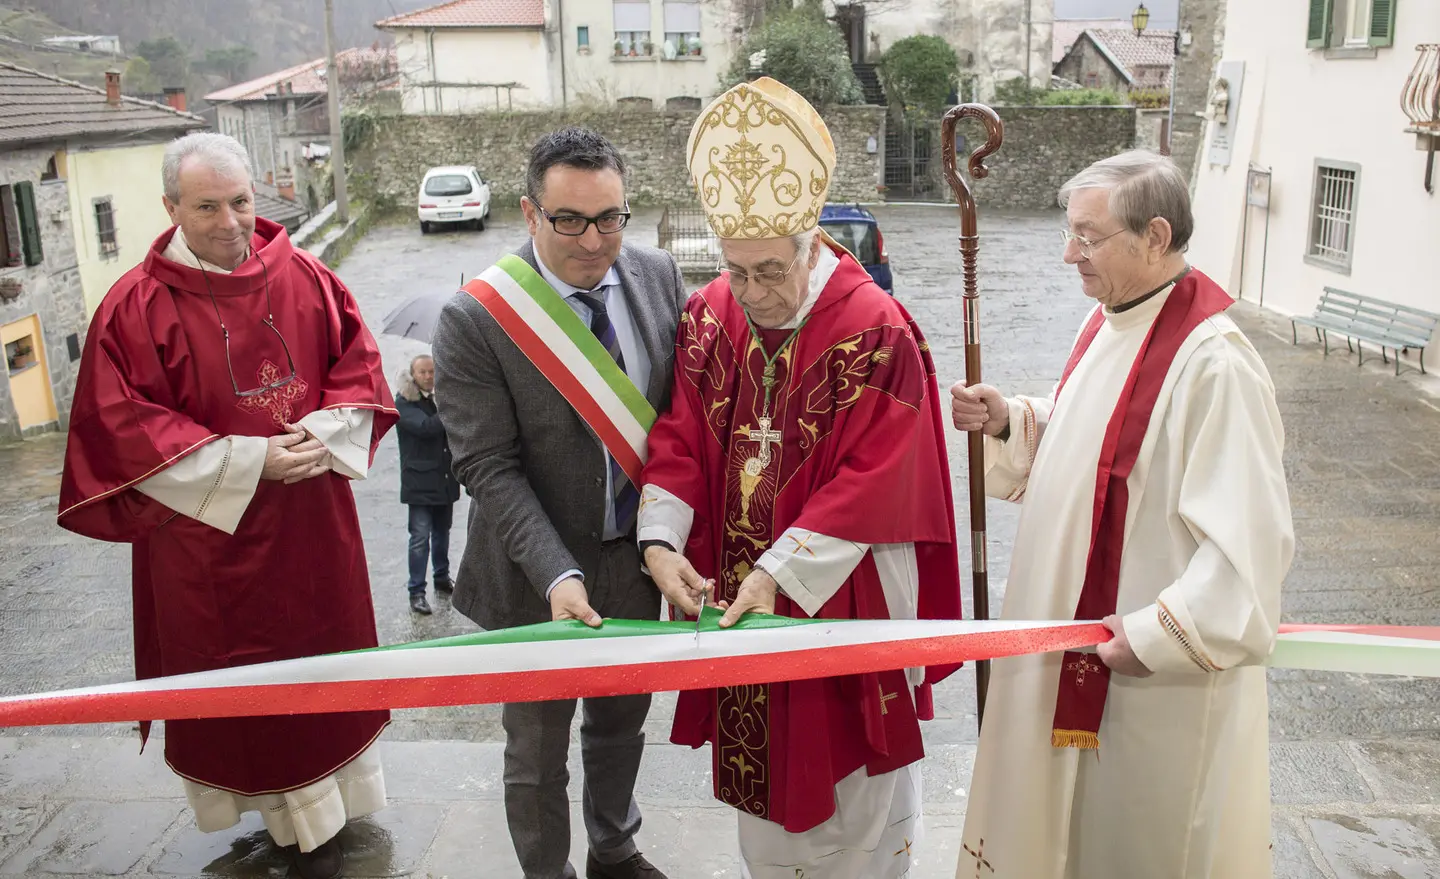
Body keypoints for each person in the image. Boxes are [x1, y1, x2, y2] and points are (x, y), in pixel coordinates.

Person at [637, 77, 963, 879]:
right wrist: (660, 539)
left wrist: (780, 573)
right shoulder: (712, 313)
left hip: (840, 595)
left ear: (813, 241)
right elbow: (681, 432)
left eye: (770, 271)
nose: (752, 293)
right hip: (745, 600)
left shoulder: (873, 328)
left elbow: (879, 475)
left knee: (856, 795)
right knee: (768, 805)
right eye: (737, 270)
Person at [56, 132, 395, 879]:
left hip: (311, 532)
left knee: (322, 675)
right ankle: (281, 826)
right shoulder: (133, 308)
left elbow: (359, 367)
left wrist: (320, 431)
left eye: (240, 201)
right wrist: (250, 460)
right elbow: (122, 424)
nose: (231, 221)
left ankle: (326, 822)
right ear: (171, 207)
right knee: (247, 698)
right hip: (210, 547)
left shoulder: (307, 276)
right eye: (207, 206)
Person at [949, 150, 1294, 878]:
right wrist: (1012, 419)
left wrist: (1156, 635)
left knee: (1131, 841)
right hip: (1069, 642)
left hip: (1145, 678)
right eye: (1070, 231)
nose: (1069, 252)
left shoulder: (1215, 366)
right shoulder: (1107, 321)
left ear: (1156, 236)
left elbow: (1249, 546)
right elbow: (1096, 445)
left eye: (1088, 235)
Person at [431, 127, 687, 879]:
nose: (593, 239)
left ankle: (614, 846)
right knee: (537, 755)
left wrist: (666, 537)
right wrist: (555, 572)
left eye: (610, 217)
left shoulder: (658, 275)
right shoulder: (477, 317)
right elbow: (487, 467)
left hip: (635, 562)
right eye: (569, 219)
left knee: (620, 727)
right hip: (533, 576)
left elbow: (677, 421)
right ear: (529, 213)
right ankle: (548, 871)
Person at [394, 353, 459, 615]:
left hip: (444, 480)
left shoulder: (435, 399)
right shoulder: (404, 403)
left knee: (443, 534)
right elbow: (427, 428)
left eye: (432, 372)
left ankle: (442, 579)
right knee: (420, 539)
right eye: (423, 372)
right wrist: (450, 402)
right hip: (419, 484)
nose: (429, 377)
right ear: (413, 374)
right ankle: (416, 592)